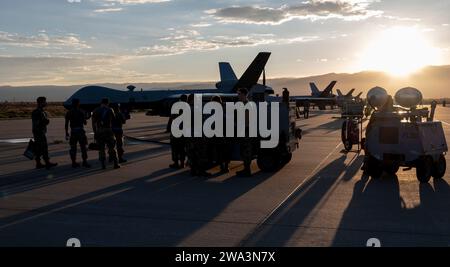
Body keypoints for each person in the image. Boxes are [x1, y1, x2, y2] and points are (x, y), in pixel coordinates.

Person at [92, 98, 120, 170]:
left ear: (101, 103)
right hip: (108, 130)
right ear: (108, 103)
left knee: (101, 149)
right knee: (112, 148)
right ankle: (116, 164)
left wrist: (95, 133)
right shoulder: (110, 110)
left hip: (100, 131)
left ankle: (103, 165)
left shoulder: (96, 110)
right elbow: (114, 121)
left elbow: (93, 123)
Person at [32, 96, 58, 170]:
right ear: (40, 102)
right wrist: (45, 122)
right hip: (39, 133)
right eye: (44, 102)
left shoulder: (41, 111)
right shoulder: (37, 112)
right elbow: (36, 124)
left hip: (40, 132)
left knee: (39, 148)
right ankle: (47, 163)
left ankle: (39, 163)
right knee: (44, 148)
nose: (46, 103)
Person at [65, 98, 91, 168]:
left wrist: (66, 133)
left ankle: (73, 162)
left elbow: (66, 123)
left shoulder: (69, 112)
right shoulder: (81, 111)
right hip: (80, 131)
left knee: (73, 148)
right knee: (83, 147)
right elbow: (85, 122)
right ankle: (84, 162)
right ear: (78, 104)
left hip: (73, 131)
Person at [236, 88, 253, 177]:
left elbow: (246, 119)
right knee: (244, 150)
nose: (238, 95)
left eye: (239, 93)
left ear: (243, 94)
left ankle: (247, 170)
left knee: (246, 150)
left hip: (246, 130)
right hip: (245, 129)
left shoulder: (246, 105)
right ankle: (246, 169)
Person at [211, 95, 230, 173]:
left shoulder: (214, 110)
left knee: (219, 151)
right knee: (226, 151)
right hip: (226, 133)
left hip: (219, 134)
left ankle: (222, 167)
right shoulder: (225, 108)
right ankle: (226, 166)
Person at [169, 94, 187, 169]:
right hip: (185, 130)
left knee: (175, 147)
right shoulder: (188, 107)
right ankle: (182, 163)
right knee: (182, 147)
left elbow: (172, 118)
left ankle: (176, 162)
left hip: (176, 130)